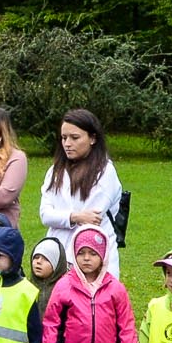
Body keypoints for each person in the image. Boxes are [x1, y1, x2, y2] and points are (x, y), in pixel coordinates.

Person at [36, 108, 124, 273]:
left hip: (93, 253)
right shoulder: (55, 171)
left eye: (75, 138)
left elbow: (92, 218)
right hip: (57, 253)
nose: (67, 143)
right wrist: (74, 216)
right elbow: (45, 215)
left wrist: (63, 217)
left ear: (92, 138)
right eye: (64, 138)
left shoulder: (105, 171)